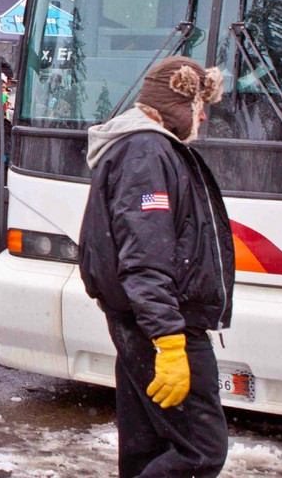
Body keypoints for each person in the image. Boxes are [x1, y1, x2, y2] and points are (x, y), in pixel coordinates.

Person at [78, 56, 233, 478]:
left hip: (143, 321)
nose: (203, 116)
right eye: (199, 105)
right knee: (201, 451)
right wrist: (169, 342)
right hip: (162, 327)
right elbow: (146, 257)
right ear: (177, 103)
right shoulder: (147, 152)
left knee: (145, 446)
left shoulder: (144, 148)